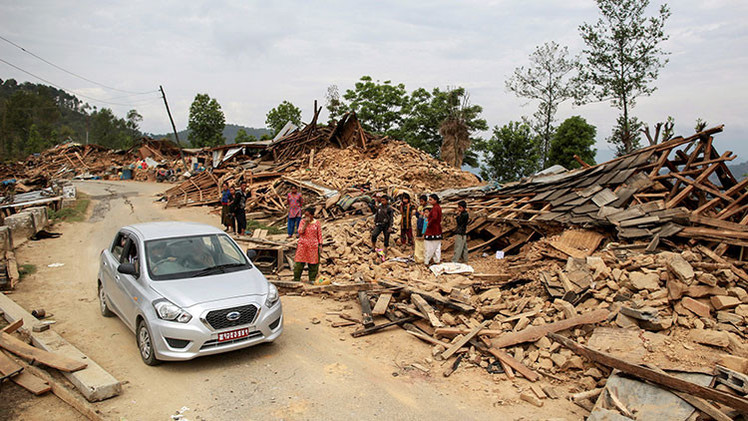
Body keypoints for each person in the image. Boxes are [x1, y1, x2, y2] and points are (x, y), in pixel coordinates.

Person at [294, 207, 322, 283]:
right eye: (305, 215)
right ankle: (296, 279)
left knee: (313, 263)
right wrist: (305, 224)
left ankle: (312, 279)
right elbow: (300, 232)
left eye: (308, 215)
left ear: (312, 215)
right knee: (299, 263)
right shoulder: (302, 222)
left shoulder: (317, 223)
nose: (306, 217)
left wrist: (320, 245)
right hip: (303, 245)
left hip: (313, 246)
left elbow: (319, 234)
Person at [423, 194, 443, 266]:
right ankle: (437, 260)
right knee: (437, 247)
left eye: (431, 199)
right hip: (437, 229)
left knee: (429, 247)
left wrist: (429, 223)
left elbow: (434, 217)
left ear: (435, 200)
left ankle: (427, 262)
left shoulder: (435, 208)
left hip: (432, 229)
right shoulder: (438, 207)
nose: (429, 201)